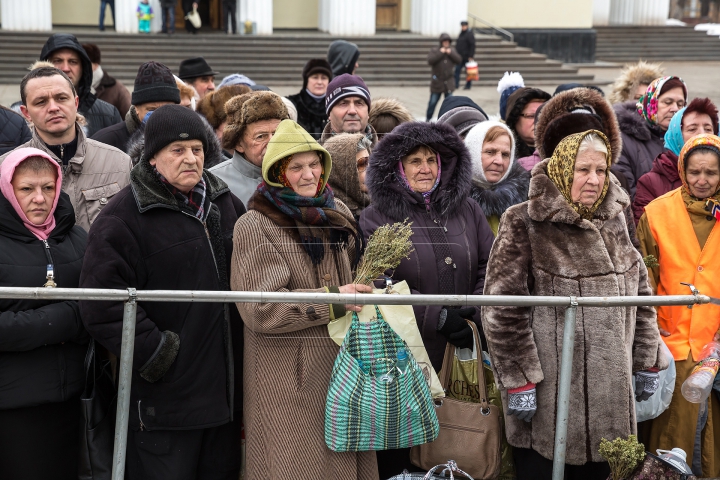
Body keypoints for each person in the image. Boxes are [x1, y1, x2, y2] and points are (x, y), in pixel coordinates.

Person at [483, 129, 667, 480]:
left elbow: (640, 294)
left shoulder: (615, 218)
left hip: (611, 397)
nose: (594, 180)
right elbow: (503, 309)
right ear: (565, 170)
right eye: (583, 170)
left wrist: (648, 359)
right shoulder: (523, 220)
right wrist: (520, 380)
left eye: (601, 170)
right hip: (550, 395)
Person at [79, 105, 245, 480]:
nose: (190, 158)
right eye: (177, 150)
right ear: (152, 157)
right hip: (164, 405)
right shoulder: (123, 217)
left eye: (198, 149)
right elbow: (100, 305)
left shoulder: (225, 203)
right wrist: (160, 353)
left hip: (226, 400)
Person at [231, 119, 377, 479]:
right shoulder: (254, 224)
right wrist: (332, 300)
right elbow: (260, 309)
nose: (309, 174)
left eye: (314, 164)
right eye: (296, 167)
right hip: (288, 381)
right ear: (278, 173)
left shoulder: (337, 214)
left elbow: (349, 285)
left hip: (343, 371)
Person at [359, 121, 493, 477]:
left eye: (431, 160)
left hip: (463, 350)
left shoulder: (469, 210)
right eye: (414, 160)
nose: (425, 168)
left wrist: (474, 312)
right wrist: (436, 316)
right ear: (398, 168)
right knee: (404, 452)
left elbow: (489, 266)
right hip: (405, 355)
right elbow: (379, 281)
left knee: (458, 440)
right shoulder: (376, 217)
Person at [0, 147, 88, 480]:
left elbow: (101, 307)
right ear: (8, 190)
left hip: (76, 398)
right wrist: (64, 320)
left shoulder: (77, 238)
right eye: (27, 189)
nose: (40, 198)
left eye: (48, 188)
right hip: (14, 404)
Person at [636, 134, 720, 477]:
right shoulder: (656, 214)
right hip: (671, 348)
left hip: (714, 347)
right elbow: (644, 282)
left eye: (712, 173)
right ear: (682, 170)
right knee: (672, 443)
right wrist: (651, 339)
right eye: (695, 172)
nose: (702, 180)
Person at [1, 66, 131, 231]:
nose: (53, 107)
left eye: (61, 98)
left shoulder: (119, 163)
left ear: (75, 103)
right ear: (26, 113)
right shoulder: (6, 170)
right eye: (41, 102)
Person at [633, 98, 719, 223]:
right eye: (692, 129)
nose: (701, 134)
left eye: (708, 129)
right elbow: (646, 234)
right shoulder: (650, 183)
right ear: (676, 135)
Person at [209, 91, 289, 205]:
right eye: (261, 136)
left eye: (277, 133)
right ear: (239, 144)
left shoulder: (301, 173)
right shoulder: (214, 183)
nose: (272, 142)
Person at [614, 75, 687, 199]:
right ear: (651, 103)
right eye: (667, 102)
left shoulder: (688, 138)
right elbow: (626, 195)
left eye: (680, 104)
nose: (675, 109)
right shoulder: (624, 140)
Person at [41, 33, 122, 137]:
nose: (65, 68)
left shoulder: (109, 115)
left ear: (83, 68)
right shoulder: (23, 116)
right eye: (58, 61)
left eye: (73, 62)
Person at [92, 61, 180, 153]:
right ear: (136, 108)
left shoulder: (187, 138)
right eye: (152, 110)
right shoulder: (105, 143)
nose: (160, 116)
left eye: (166, 109)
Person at [464, 121, 529, 235]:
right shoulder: (452, 201)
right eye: (490, 152)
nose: (499, 161)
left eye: (505, 155)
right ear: (472, 153)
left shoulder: (525, 199)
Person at [320, 74, 378, 145]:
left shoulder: (387, 154)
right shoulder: (313, 154)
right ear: (329, 113)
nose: (352, 111)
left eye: (359, 103)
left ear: (368, 112)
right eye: (343, 103)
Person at [324, 133, 371, 218]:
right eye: (362, 164)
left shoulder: (377, 202)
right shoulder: (332, 216)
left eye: (370, 161)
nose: (371, 170)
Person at [286, 59, 333, 140]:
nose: (319, 82)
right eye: (315, 77)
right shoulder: (290, 104)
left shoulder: (335, 105)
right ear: (306, 80)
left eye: (324, 78)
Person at [82, 43, 131, 118]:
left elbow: (130, 120)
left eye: (85, 63)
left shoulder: (118, 90)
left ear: (96, 65)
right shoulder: (75, 87)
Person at [504, 86, 551, 159]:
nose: (538, 121)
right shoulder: (504, 153)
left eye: (543, 115)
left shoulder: (559, 150)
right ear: (514, 119)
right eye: (531, 116)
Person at [426, 33, 462, 120]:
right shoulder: (435, 50)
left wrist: (451, 53)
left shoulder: (452, 51)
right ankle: (428, 118)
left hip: (448, 83)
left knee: (450, 103)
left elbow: (459, 60)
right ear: (441, 42)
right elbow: (430, 61)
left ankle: (449, 119)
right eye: (444, 41)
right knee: (433, 102)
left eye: (448, 41)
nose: (446, 43)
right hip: (437, 82)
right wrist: (440, 53)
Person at [455, 21, 476, 91]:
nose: (463, 27)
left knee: (469, 72)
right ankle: (456, 84)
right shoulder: (461, 34)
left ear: (467, 26)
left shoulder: (469, 34)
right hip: (460, 56)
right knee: (457, 70)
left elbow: (472, 45)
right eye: (462, 26)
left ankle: (468, 85)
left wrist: (471, 55)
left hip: (467, 56)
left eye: (464, 26)